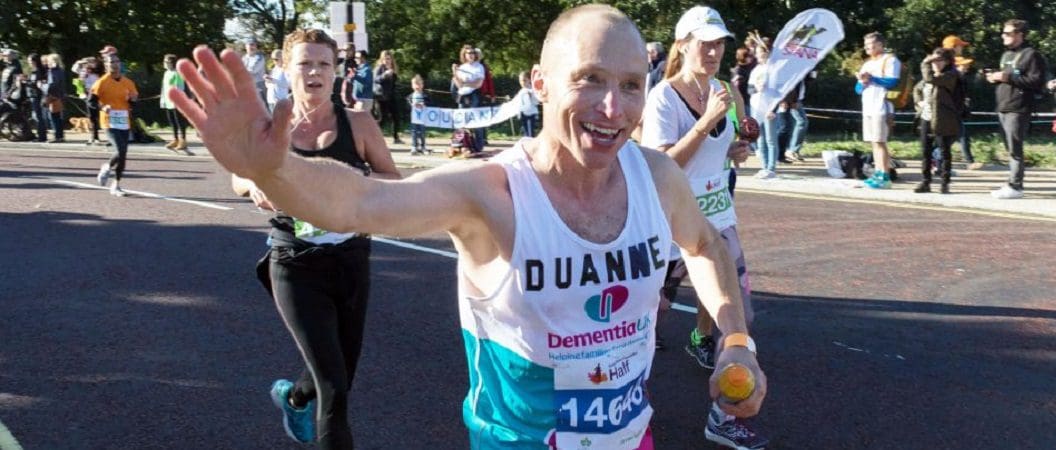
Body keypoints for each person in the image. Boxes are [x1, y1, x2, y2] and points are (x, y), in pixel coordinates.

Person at [170, 4, 765, 449]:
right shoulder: (491, 192)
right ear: (540, 84)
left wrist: (737, 341)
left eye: (632, 85)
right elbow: (361, 201)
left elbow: (706, 245)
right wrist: (273, 168)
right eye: (589, 79)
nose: (614, 109)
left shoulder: (656, 177)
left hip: (633, 438)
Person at [226, 29, 402, 448]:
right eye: (304, 63)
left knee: (339, 374)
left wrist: (344, 182)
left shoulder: (358, 123)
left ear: (336, 71)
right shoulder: (269, 126)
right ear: (286, 69)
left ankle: (292, 396)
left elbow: (394, 182)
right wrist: (253, 186)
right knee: (334, 388)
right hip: (294, 262)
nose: (314, 72)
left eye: (324, 63)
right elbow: (237, 175)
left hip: (351, 259)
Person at [640, 6, 766, 450]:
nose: (714, 51)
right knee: (641, 327)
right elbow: (661, 165)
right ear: (683, 45)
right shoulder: (662, 97)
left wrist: (736, 149)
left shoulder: (727, 90)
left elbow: (724, 145)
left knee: (740, 322)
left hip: (718, 220)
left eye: (720, 43)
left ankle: (725, 417)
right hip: (669, 227)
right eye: (705, 43)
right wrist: (707, 121)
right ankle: (630, 415)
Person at [985, 19, 1046, 199]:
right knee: (1009, 147)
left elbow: (1036, 81)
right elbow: (1007, 78)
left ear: (1020, 35)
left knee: (1015, 147)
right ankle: (1012, 181)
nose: (1003, 36)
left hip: (1018, 107)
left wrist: (1007, 77)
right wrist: (994, 78)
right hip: (1003, 105)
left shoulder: (1031, 55)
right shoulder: (1005, 55)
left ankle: (1016, 185)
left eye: (1008, 33)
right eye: (1003, 33)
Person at [855, 32, 901, 189]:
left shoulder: (890, 59)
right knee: (873, 142)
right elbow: (858, 89)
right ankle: (877, 173)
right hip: (867, 105)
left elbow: (893, 81)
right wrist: (862, 82)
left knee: (881, 141)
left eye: (872, 45)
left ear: (881, 45)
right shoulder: (866, 63)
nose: (868, 48)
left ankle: (885, 176)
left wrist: (872, 78)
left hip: (881, 105)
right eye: (866, 45)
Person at [912, 48, 961, 194]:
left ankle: (945, 182)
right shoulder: (929, 75)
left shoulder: (950, 75)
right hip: (926, 117)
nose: (935, 64)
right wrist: (919, 102)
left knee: (944, 151)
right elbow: (917, 89)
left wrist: (924, 63)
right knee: (925, 151)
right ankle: (925, 181)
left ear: (947, 62)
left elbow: (930, 79)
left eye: (939, 61)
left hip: (943, 118)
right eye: (933, 61)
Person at [92, 52, 138, 197]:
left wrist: (133, 100)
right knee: (120, 150)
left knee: (123, 154)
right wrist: (103, 107)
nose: (115, 64)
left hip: (124, 120)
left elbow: (133, 102)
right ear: (106, 65)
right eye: (111, 62)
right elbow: (91, 101)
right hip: (109, 121)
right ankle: (107, 168)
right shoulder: (101, 82)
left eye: (117, 61)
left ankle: (116, 184)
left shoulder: (128, 82)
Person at [941, 35, 982, 170]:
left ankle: (937, 160)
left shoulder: (950, 66)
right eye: (960, 46)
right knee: (949, 138)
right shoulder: (947, 65)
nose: (962, 48)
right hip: (948, 108)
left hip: (954, 108)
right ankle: (936, 160)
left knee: (958, 136)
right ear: (953, 47)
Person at [747, 38, 778, 178]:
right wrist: (755, 88)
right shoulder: (756, 70)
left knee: (771, 139)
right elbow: (749, 88)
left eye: (760, 52)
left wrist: (773, 108)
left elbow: (778, 91)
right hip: (756, 107)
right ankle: (764, 166)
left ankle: (771, 168)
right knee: (759, 138)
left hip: (769, 107)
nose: (757, 55)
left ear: (767, 52)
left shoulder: (773, 70)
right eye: (757, 53)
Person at [452, 44, 485, 152]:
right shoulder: (462, 68)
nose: (471, 55)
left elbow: (478, 83)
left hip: (474, 95)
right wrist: (455, 73)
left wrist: (467, 83)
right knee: (461, 120)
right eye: (468, 53)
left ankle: (478, 145)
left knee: (475, 120)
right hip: (462, 95)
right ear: (464, 55)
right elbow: (459, 84)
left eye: (472, 53)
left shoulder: (479, 67)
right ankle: (459, 144)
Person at [160, 54, 190, 153]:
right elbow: (164, 88)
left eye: (167, 62)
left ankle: (183, 141)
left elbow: (179, 87)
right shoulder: (166, 73)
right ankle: (175, 139)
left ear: (172, 63)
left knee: (179, 121)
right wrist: (163, 100)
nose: (165, 63)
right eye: (165, 61)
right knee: (172, 122)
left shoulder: (177, 73)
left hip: (176, 102)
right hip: (168, 101)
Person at [373, 50, 402, 145]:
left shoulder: (393, 68)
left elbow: (394, 82)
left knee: (396, 116)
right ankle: (375, 136)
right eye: (385, 59)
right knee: (382, 118)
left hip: (391, 96)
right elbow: (375, 80)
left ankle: (396, 137)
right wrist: (384, 75)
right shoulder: (379, 68)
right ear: (382, 59)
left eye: (389, 58)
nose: (387, 60)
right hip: (381, 96)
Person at [42, 54, 66, 143]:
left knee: (53, 117)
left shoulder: (52, 72)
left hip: (53, 96)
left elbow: (52, 85)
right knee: (58, 117)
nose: (47, 63)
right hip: (59, 95)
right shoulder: (60, 70)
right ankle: (60, 136)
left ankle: (57, 136)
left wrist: (42, 86)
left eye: (48, 61)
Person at [407, 74, 430, 154]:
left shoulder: (425, 96)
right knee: (414, 132)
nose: (417, 86)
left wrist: (424, 104)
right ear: (412, 85)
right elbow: (408, 104)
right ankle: (414, 147)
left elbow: (429, 103)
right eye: (415, 84)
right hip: (414, 118)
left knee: (422, 132)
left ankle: (423, 147)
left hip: (423, 118)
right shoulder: (410, 96)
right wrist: (411, 104)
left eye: (419, 84)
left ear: (422, 85)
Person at [243, 40, 267, 107]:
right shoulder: (244, 58)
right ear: (246, 46)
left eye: (254, 45)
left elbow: (253, 70)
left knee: (263, 107)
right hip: (247, 86)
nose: (252, 47)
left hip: (259, 85)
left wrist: (241, 72)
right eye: (250, 44)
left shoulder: (259, 58)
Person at [516, 70, 539, 138]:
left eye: (524, 80)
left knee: (530, 132)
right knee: (525, 132)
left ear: (529, 80)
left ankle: (532, 145)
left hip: (531, 113)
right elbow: (519, 103)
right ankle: (527, 145)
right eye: (520, 81)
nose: (522, 83)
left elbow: (537, 102)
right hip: (523, 114)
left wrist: (531, 96)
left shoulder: (533, 90)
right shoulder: (521, 91)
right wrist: (518, 113)